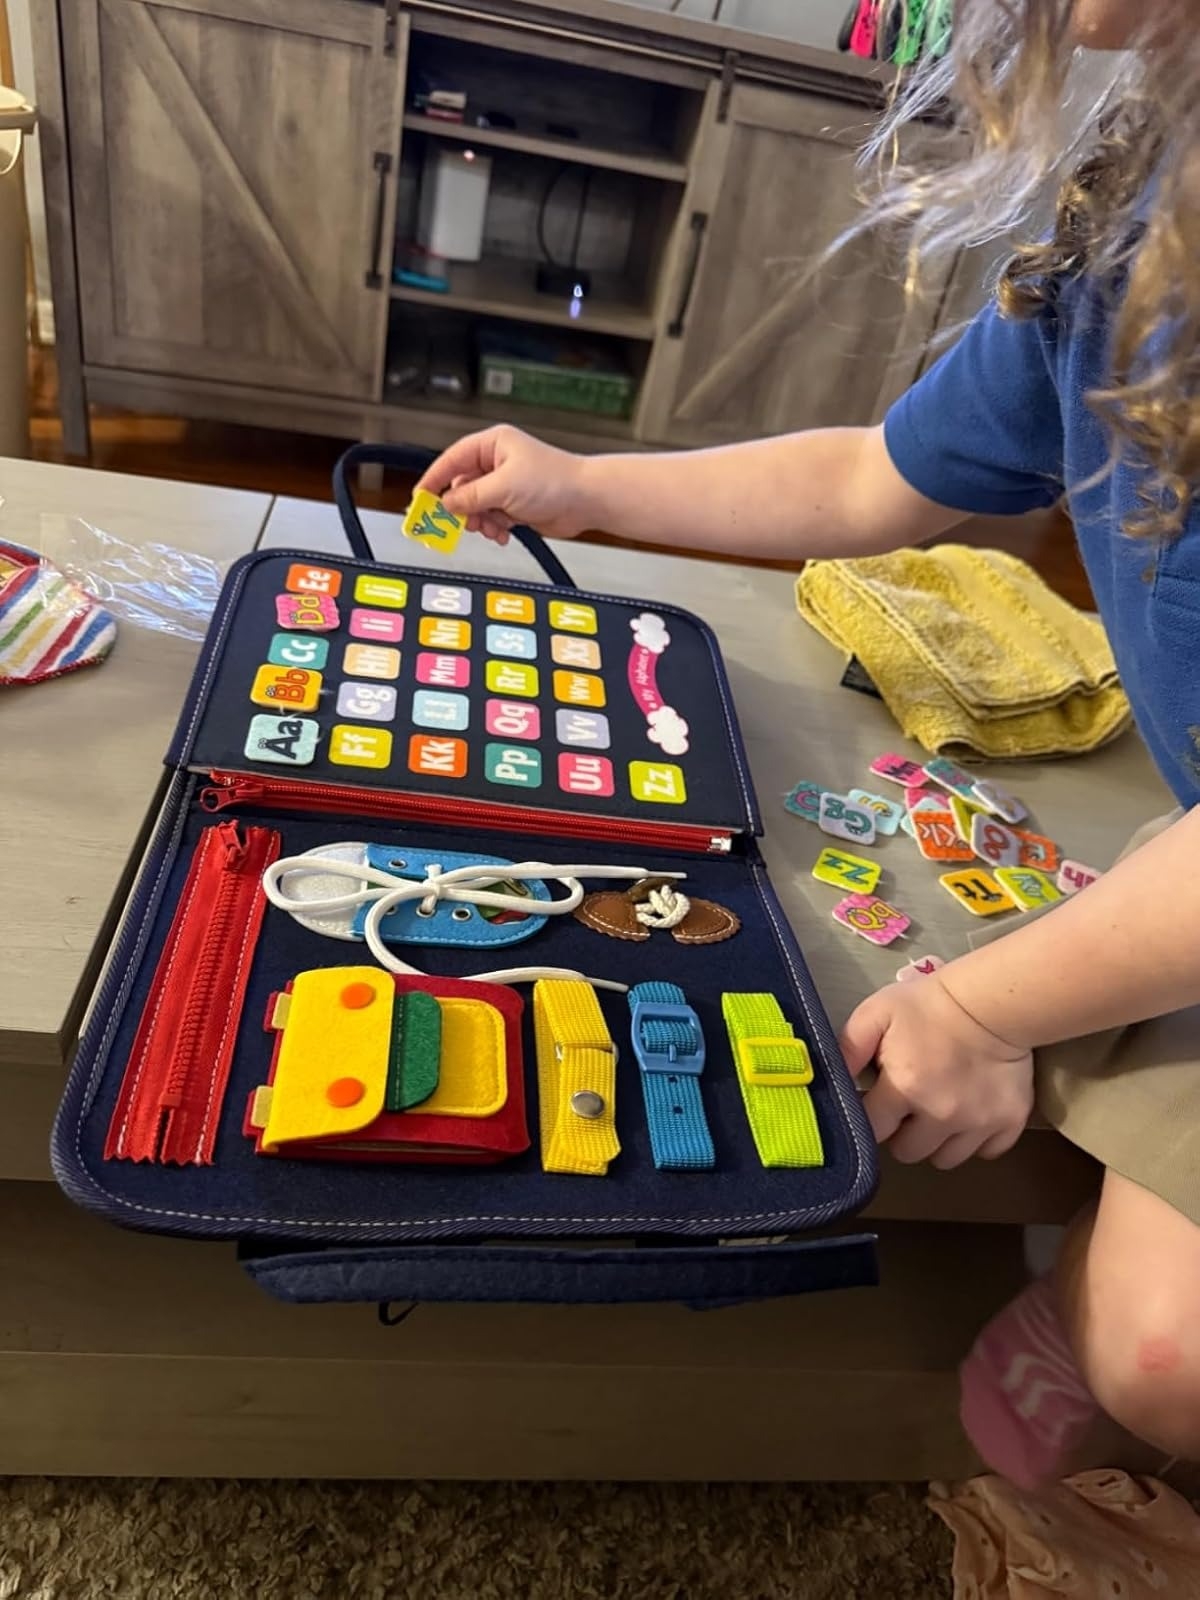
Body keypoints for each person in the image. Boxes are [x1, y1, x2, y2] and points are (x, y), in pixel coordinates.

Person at [417, 0, 1200, 1488]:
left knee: (1165, 1357)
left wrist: (982, 1010)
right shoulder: (1128, 208)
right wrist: (591, 486)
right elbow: (870, 478)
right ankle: (1081, 1284)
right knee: (1161, 1354)